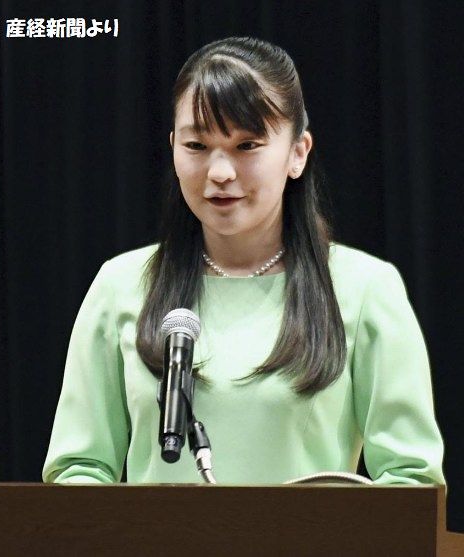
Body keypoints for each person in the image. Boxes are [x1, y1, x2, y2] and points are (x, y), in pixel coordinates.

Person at [42, 36, 445, 486]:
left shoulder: (365, 287)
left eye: (247, 145)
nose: (220, 172)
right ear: (173, 147)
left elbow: (412, 480)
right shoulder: (120, 285)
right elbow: (78, 471)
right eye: (197, 146)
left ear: (297, 153)